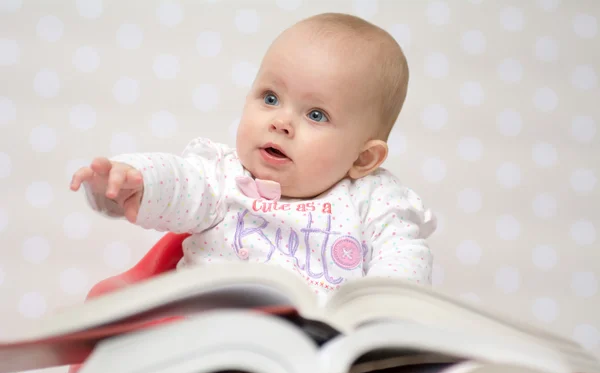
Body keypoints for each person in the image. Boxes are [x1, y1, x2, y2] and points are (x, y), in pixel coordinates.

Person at [70, 12, 437, 295]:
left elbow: (402, 258)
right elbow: (180, 182)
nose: (281, 122)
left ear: (363, 159)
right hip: (202, 337)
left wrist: (380, 317)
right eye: (271, 98)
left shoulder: (374, 202)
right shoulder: (224, 177)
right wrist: (135, 179)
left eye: (315, 115)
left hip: (314, 360)